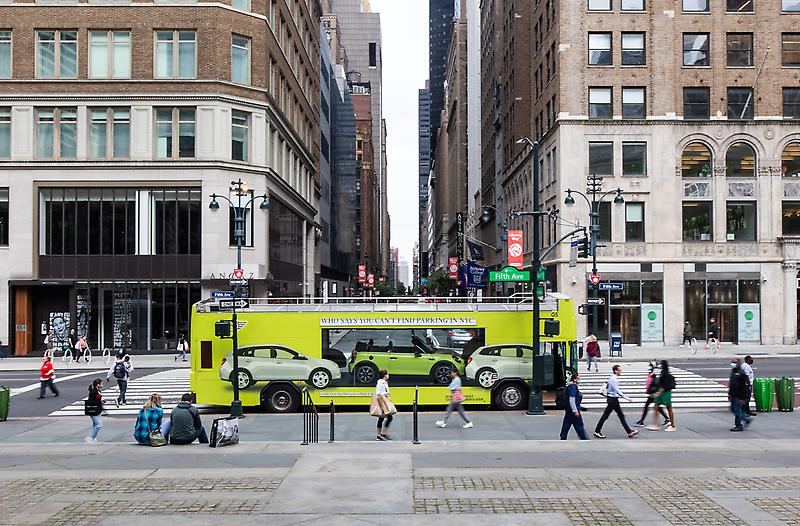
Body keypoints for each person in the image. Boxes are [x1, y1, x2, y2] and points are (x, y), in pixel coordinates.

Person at [594, 365, 638, 439]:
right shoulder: (613, 379)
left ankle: (629, 431)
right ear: (615, 371)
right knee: (609, 416)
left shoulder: (612, 378)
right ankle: (597, 431)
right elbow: (617, 390)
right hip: (613, 400)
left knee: (618, 416)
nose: (621, 371)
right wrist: (627, 398)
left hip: (613, 399)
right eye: (619, 370)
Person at [635, 361, 669, 427]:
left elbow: (656, 383)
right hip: (655, 393)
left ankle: (642, 421)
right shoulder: (652, 373)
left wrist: (654, 392)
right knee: (657, 406)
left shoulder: (654, 374)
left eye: (650, 366)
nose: (649, 367)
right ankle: (667, 419)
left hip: (654, 393)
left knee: (648, 405)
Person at [648, 360, 677, 432]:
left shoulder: (665, 374)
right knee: (656, 406)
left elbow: (663, 386)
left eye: (661, 364)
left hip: (665, 393)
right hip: (664, 392)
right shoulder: (664, 372)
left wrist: (658, 393)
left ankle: (672, 426)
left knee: (668, 408)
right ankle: (656, 424)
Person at [560, 371, 587, 440]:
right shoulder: (573, 387)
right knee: (579, 425)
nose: (579, 379)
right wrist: (575, 411)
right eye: (578, 378)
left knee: (567, 423)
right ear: (574, 379)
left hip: (569, 409)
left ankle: (563, 437)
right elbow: (572, 399)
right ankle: (584, 438)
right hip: (573, 409)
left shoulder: (570, 387)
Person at [728, 358, 752, 432]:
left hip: (739, 396)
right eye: (732, 362)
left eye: (734, 362)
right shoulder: (734, 371)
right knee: (733, 410)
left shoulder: (741, 373)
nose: (733, 364)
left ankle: (738, 425)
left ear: (738, 363)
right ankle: (746, 419)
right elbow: (732, 384)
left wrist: (744, 398)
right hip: (733, 394)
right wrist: (729, 394)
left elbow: (745, 386)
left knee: (737, 410)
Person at [374, 370, 393, 440]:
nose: (388, 375)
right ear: (385, 375)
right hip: (382, 402)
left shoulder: (384, 382)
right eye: (387, 374)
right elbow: (378, 392)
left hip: (384, 402)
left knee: (382, 418)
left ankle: (381, 434)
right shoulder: (380, 383)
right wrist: (386, 393)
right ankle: (382, 434)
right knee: (388, 418)